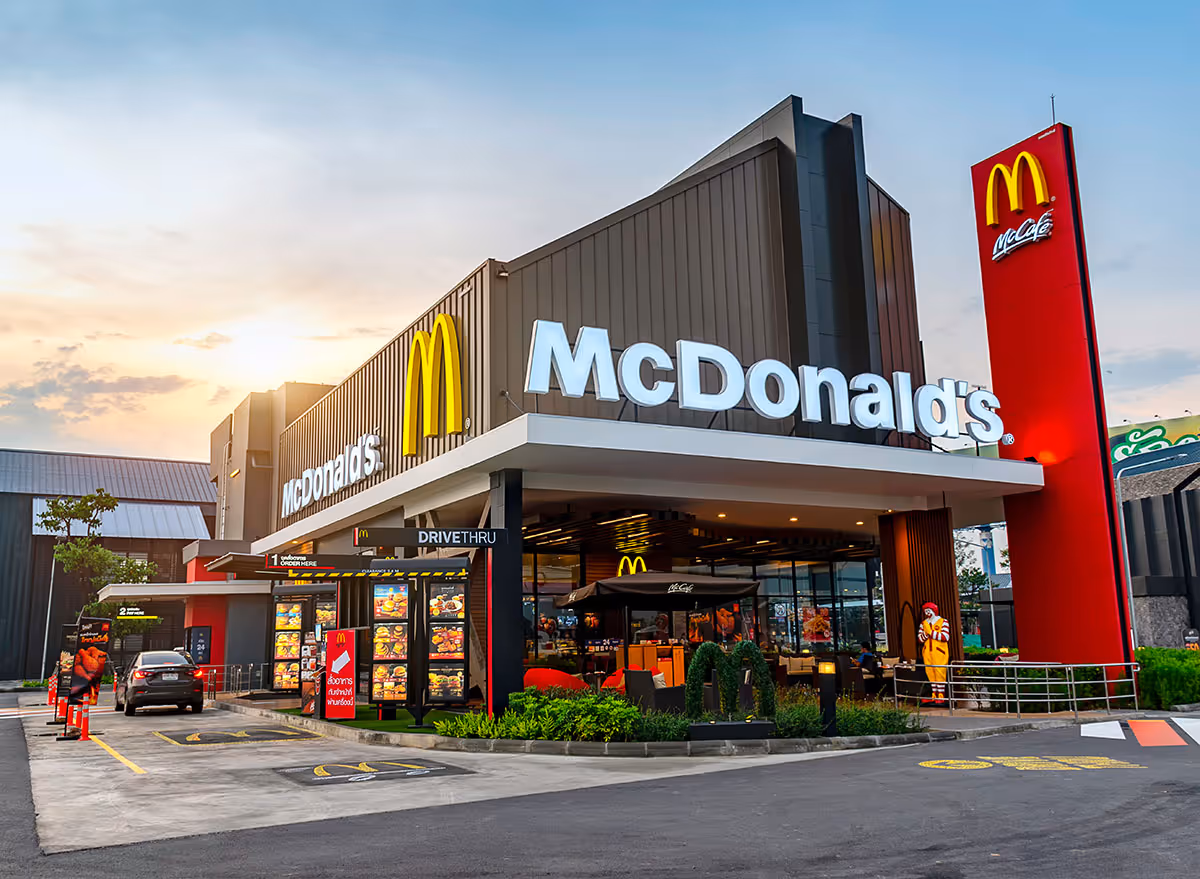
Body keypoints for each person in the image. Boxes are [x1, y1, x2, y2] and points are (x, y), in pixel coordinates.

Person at [918, 602, 951, 704]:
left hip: (939, 652)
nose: (927, 613)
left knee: (940, 672)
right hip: (927, 652)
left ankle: (941, 695)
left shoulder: (943, 622)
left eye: (929, 610)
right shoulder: (923, 624)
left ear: (934, 610)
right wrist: (927, 633)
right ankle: (934, 693)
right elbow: (920, 639)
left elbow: (945, 637)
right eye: (926, 611)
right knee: (930, 672)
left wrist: (930, 632)